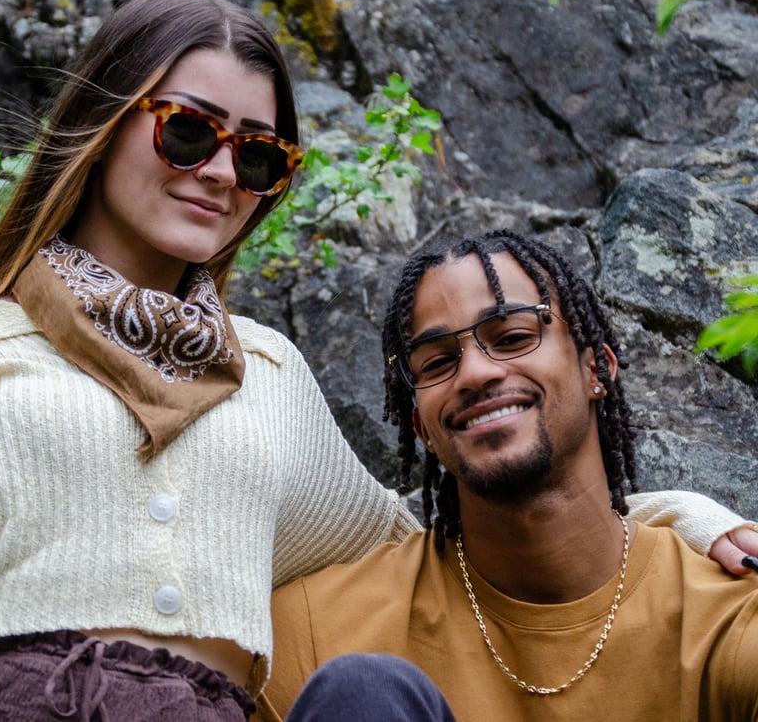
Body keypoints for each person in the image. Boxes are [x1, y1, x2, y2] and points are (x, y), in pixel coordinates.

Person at [0, 0, 753, 722]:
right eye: (188, 130)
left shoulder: (268, 374)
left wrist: (676, 516)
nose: (222, 174)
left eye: (257, 157)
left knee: (367, 692)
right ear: (101, 121)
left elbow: (438, 523)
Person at [257, 229, 758, 722]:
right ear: (421, 427)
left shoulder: (728, 614)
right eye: (437, 363)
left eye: (515, 336)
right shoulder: (318, 631)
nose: (474, 373)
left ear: (597, 372)